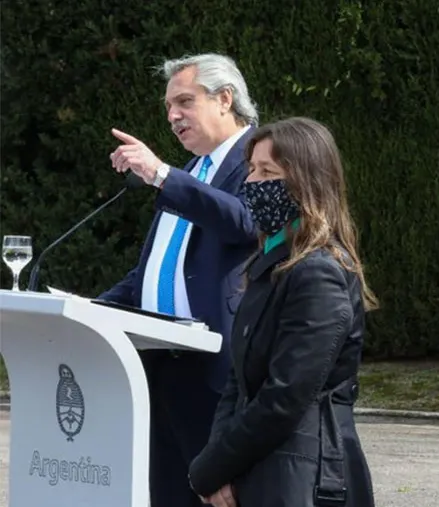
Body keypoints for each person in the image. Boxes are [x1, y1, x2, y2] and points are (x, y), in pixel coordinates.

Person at [186, 117, 379, 507]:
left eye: (267, 171)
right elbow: (239, 383)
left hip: (304, 479)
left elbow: (286, 396)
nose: (252, 182)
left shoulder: (318, 272)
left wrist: (212, 468)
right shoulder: (271, 266)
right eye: (252, 169)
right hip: (263, 471)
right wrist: (217, 467)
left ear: (306, 182)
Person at [98, 53, 260, 507]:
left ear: (225, 99)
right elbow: (154, 272)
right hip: (161, 372)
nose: (172, 116)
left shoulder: (261, 159)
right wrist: (83, 310)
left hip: (218, 376)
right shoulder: (190, 175)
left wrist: (160, 173)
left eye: (184, 102)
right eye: (168, 106)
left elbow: (247, 223)